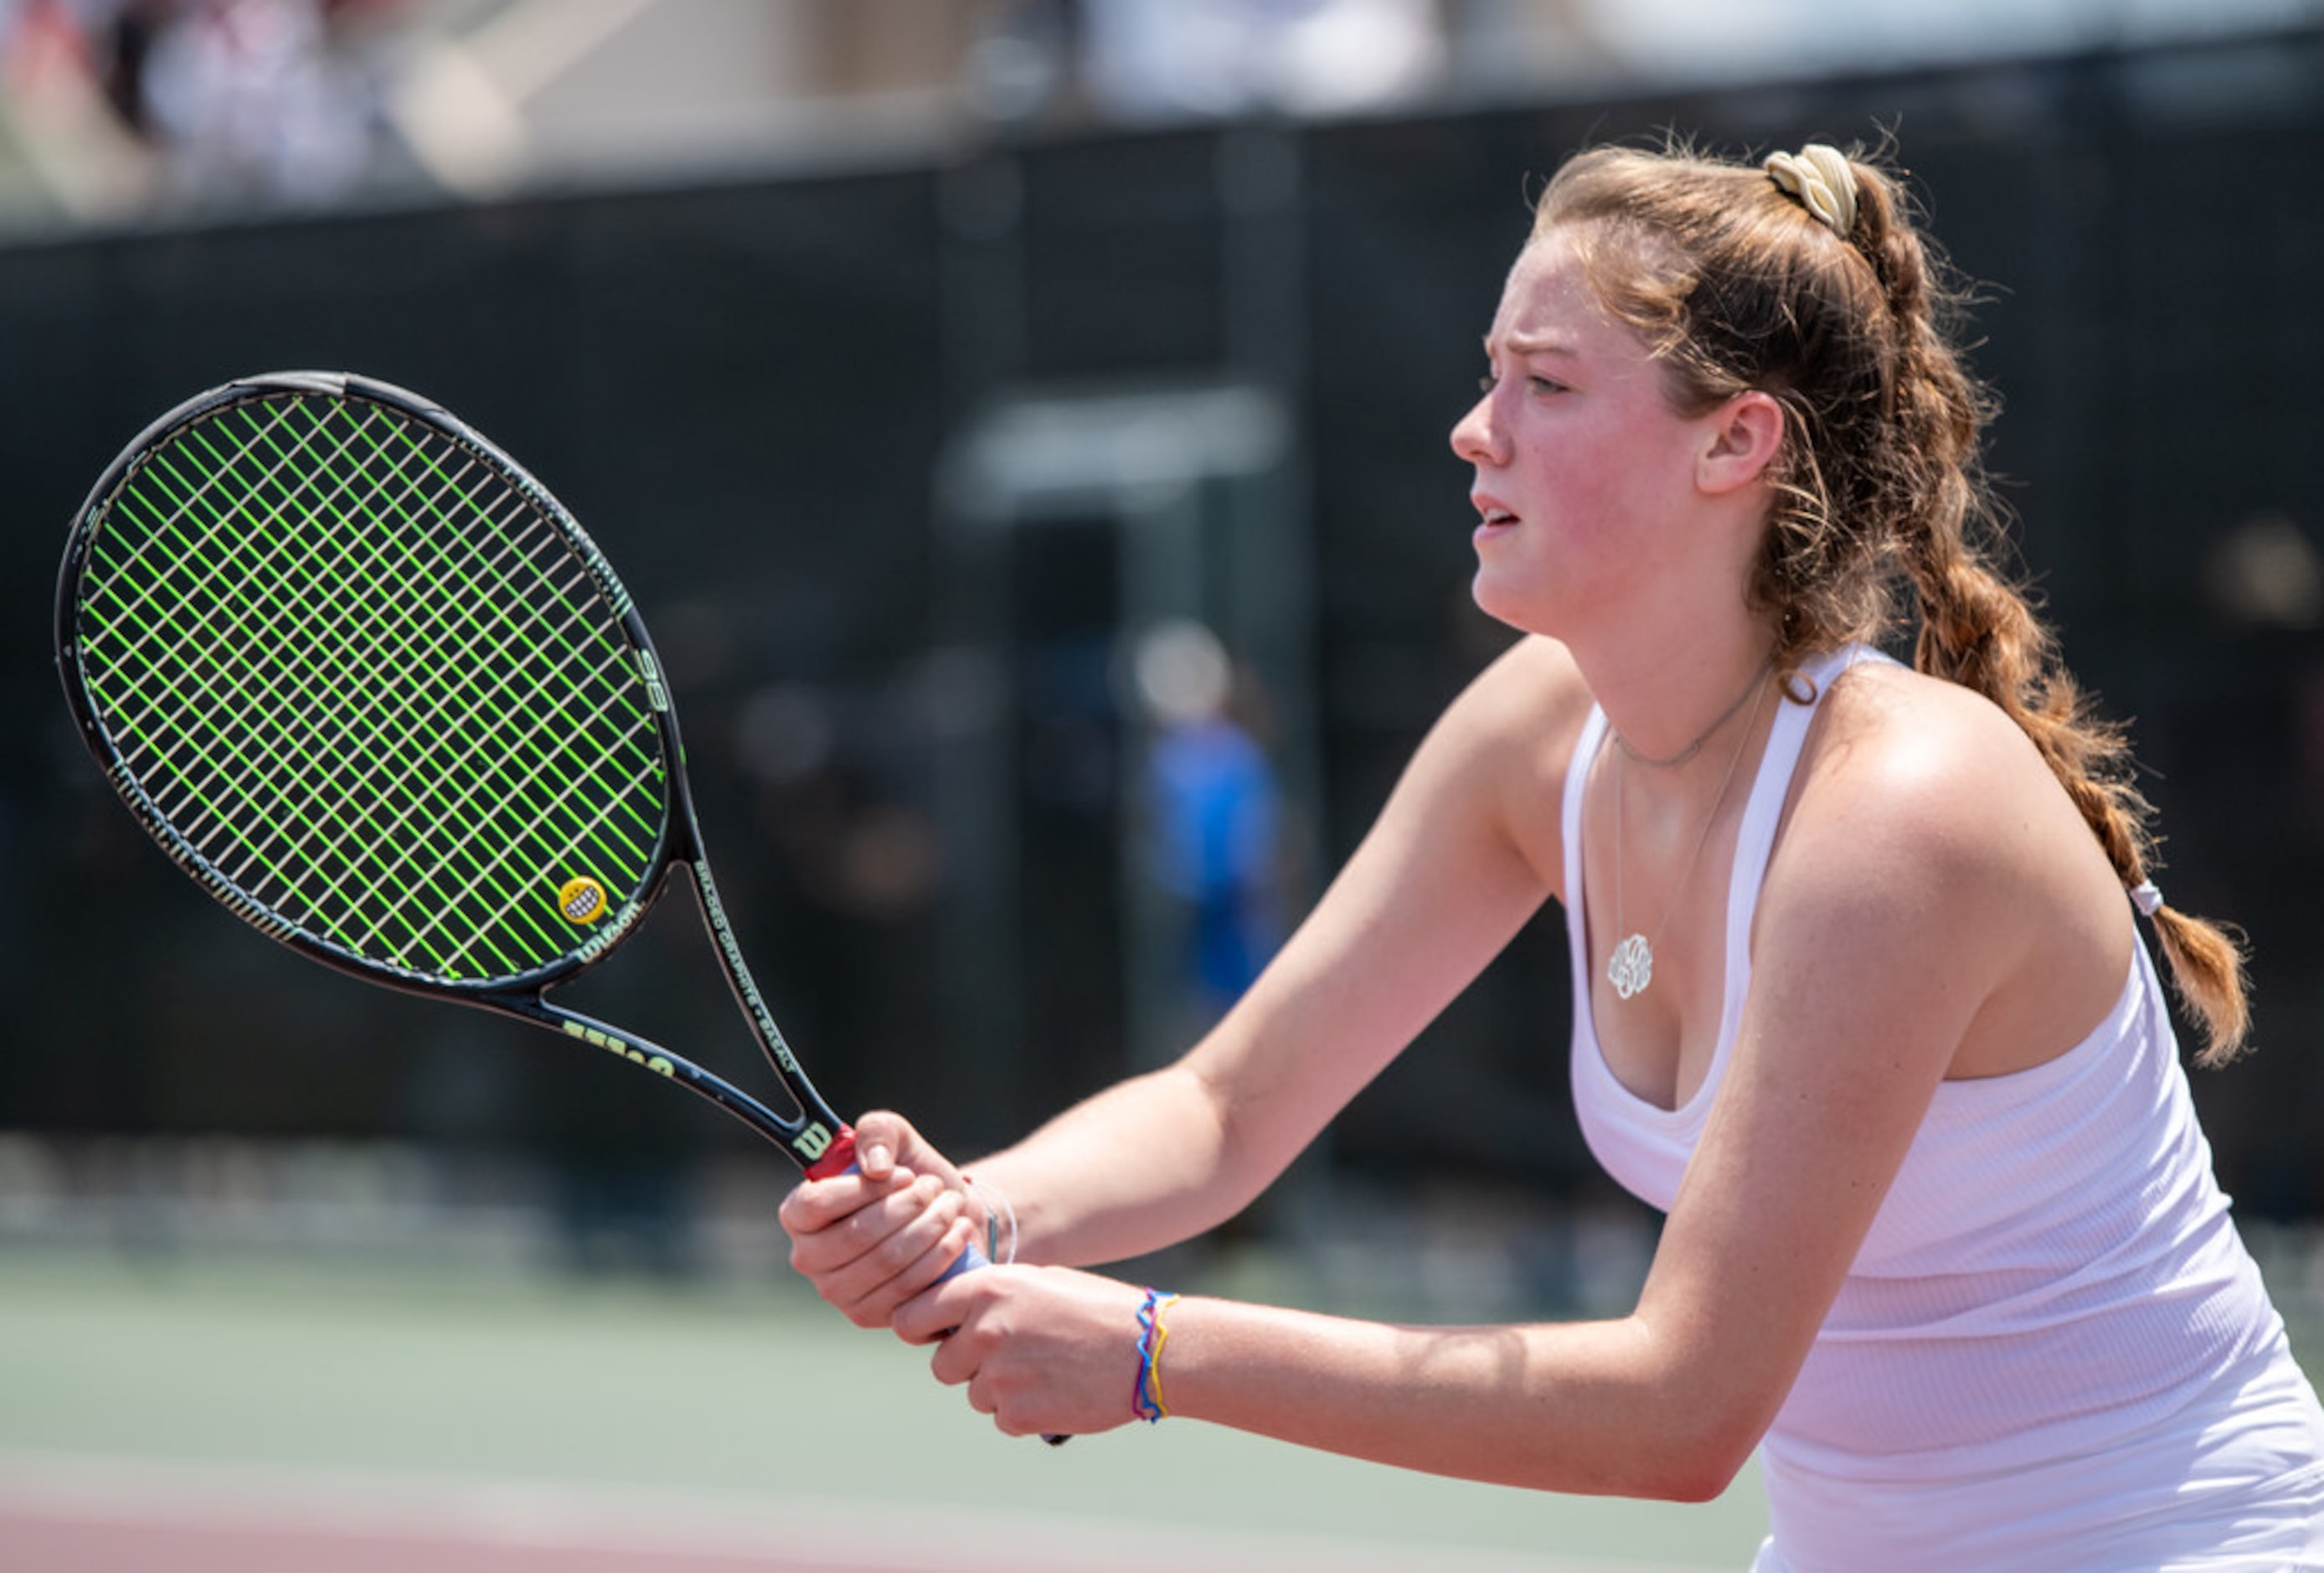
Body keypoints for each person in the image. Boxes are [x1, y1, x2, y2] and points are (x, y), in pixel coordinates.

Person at [779, 138, 2324, 1570]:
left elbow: (1678, 1412)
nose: (1474, 428)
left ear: (1736, 442)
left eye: (1546, 384)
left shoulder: (1898, 814)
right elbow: (1226, 1105)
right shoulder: (1540, 733)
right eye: (1487, 374)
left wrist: (1157, 1352)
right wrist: (972, 1210)